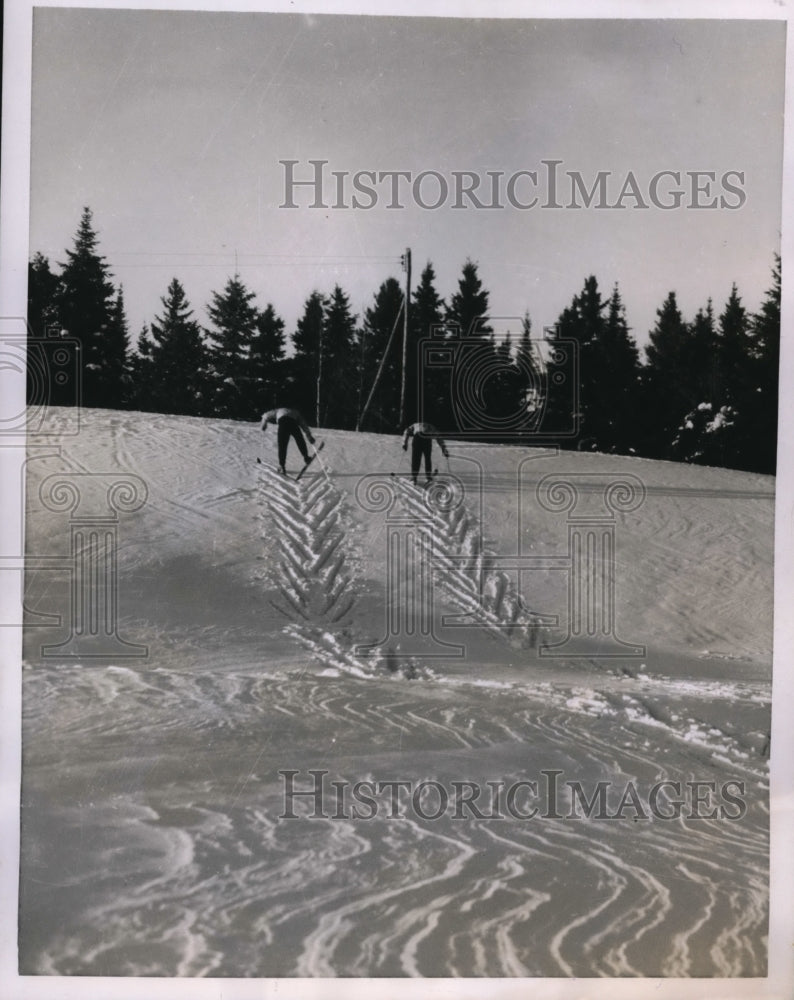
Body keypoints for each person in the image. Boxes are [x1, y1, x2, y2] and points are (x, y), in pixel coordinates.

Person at [261, 407, 316, 474]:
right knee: (300, 440)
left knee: (282, 445)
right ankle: (306, 457)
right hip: (293, 424)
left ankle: (282, 466)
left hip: (283, 424)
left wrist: (264, 424)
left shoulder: (278, 410)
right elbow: (303, 424)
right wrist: (309, 436)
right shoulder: (295, 411)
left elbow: (265, 415)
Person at [402, 421, 449, 485]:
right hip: (426, 439)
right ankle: (427, 476)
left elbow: (406, 432)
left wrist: (405, 443)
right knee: (427, 458)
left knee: (416, 458)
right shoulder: (430, 426)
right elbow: (438, 437)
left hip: (418, 438)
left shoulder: (416, 425)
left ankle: (415, 477)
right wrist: (443, 448)